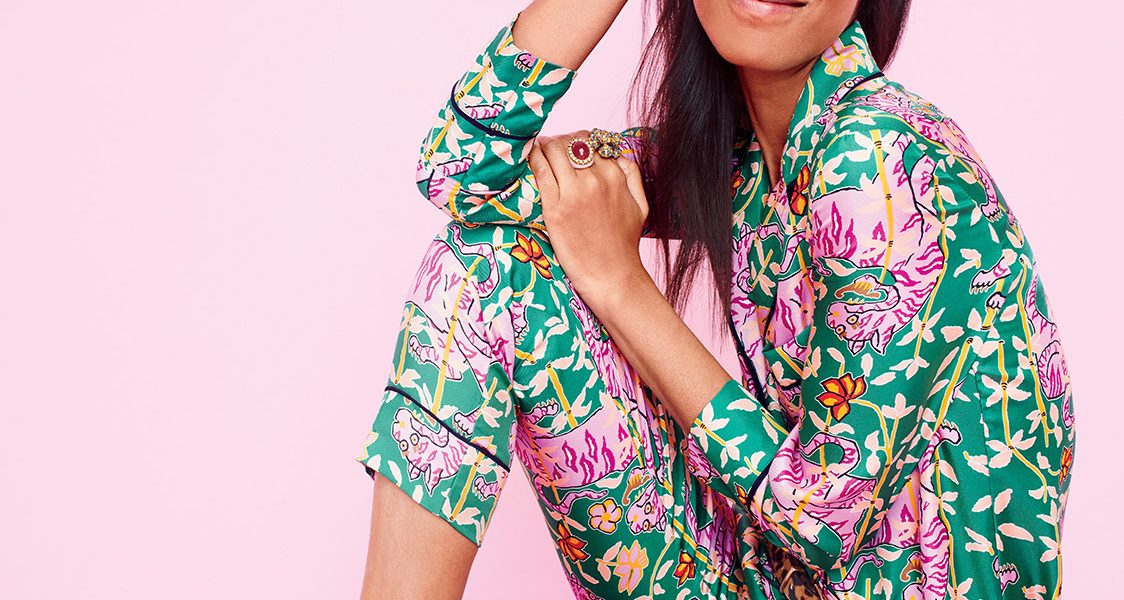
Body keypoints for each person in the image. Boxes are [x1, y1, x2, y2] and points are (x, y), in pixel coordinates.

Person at [357, 1, 1075, 599]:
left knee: (489, 266)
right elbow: (464, 170)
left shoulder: (879, 155)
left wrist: (621, 285)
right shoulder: (747, 162)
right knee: (484, 265)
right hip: (770, 577)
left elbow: (820, 520)